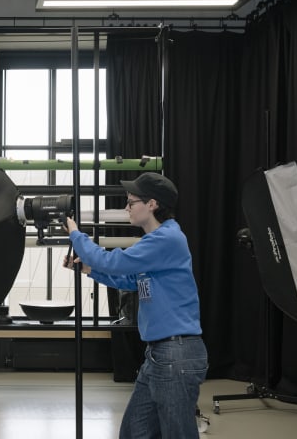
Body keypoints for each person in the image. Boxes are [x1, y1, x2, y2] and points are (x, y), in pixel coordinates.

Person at [63, 172, 207, 439]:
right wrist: (87, 269)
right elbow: (130, 280)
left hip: (176, 354)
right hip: (160, 355)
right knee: (134, 432)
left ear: (152, 204)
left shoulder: (166, 239)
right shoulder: (156, 242)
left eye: (131, 202)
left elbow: (114, 262)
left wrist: (76, 235)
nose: (126, 208)